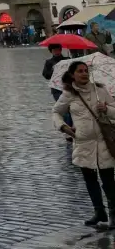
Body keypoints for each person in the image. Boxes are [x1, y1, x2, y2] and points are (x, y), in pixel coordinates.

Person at [54, 61, 115, 227]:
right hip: (83, 144)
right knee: (90, 180)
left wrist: (107, 109)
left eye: (86, 71)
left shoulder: (100, 90)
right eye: (80, 71)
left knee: (108, 181)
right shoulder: (68, 94)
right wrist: (63, 126)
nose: (84, 74)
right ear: (72, 74)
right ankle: (99, 211)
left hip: (105, 143)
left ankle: (114, 214)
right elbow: (56, 112)